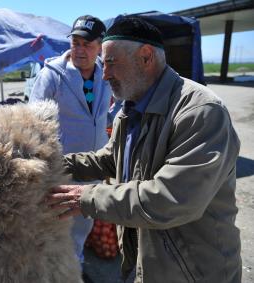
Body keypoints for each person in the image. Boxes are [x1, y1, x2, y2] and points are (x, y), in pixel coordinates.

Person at [48, 17, 241, 283]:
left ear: (146, 57)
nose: (104, 74)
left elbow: (172, 198)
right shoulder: (130, 107)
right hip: (146, 264)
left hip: (192, 271)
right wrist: (52, 163)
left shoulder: (201, 112)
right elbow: (109, 159)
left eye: (112, 62)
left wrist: (86, 198)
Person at [29, 15, 111, 265]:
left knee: (84, 220)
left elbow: (112, 110)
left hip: (94, 164)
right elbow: (33, 119)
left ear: (100, 46)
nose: (79, 50)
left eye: (87, 44)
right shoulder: (53, 74)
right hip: (63, 166)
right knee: (57, 223)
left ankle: (75, 264)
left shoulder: (106, 73)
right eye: (75, 43)